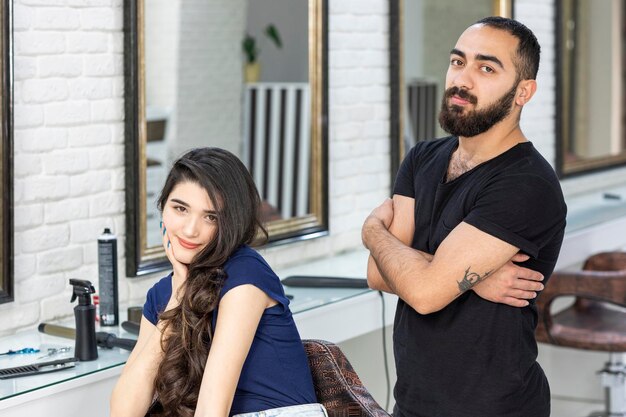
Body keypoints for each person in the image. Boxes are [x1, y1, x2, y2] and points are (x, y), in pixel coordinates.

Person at [362, 16, 567, 417]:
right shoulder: (423, 157)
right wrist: (473, 279)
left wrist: (372, 231)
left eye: (486, 68)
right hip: (415, 403)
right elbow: (377, 273)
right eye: (458, 62)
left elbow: (422, 294)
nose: (463, 80)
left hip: (494, 408)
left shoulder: (525, 183)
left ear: (524, 91)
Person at [110, 148, 326, 417]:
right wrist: (177, 295)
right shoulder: (163, 293)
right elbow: (124, 412)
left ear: (230, 223)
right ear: (162, 207)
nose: (190, 230)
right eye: (180, 208)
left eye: (210, 217)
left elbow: (214, 407)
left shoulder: (246, 274)